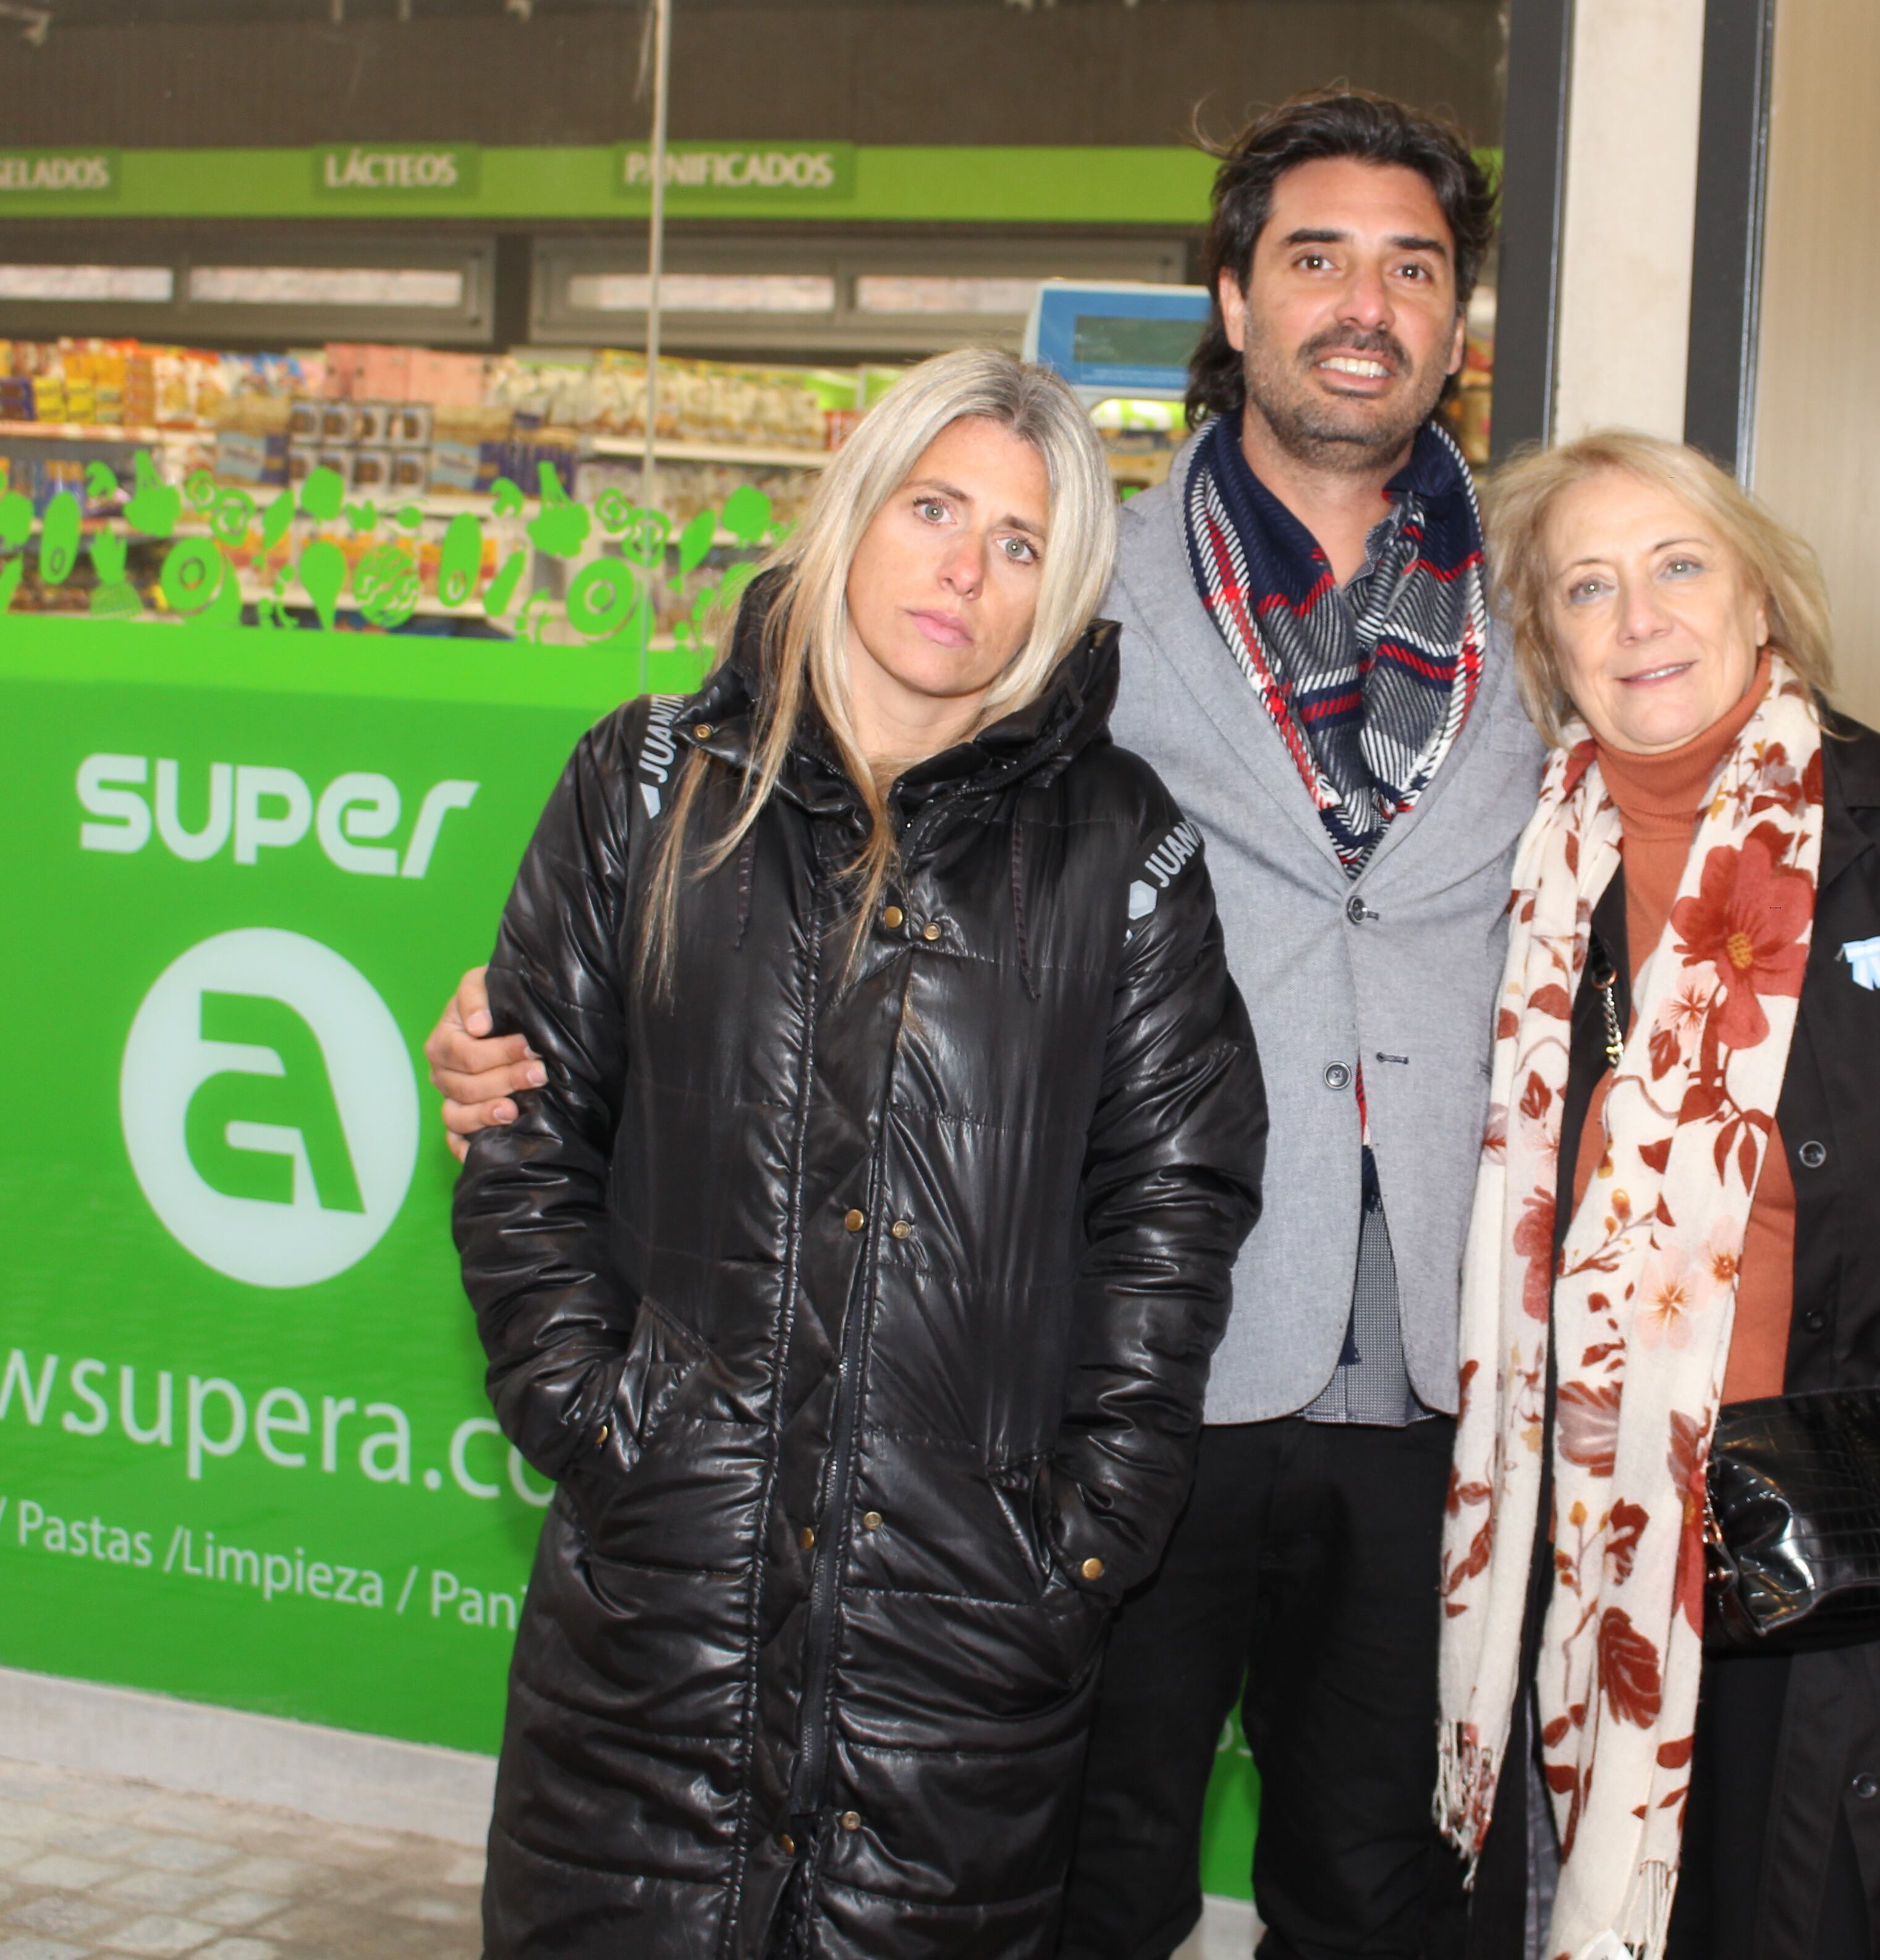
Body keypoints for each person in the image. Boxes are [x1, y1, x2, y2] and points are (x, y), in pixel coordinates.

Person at [437, 90, 1533, 1960]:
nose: (1367, 301)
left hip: (1439, 1363)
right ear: (1236, 293)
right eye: (1319, 256)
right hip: (1143, 1394)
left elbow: (1720, 769)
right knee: (1084, 1886)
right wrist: (528, 1100)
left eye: (1413, 267)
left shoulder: (1547, 588)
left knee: (1393, 1890)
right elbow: (833, 779)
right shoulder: (1092, 579)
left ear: (1456, 317)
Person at [452, 347, 1268, 1958]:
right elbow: (524, 1130)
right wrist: (589, 1413)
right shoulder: (646, 785)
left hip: (961, 1632)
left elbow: (1174, 1203)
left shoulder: (1121, 849)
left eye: (1022, 541)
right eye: (935, 506)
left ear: (1062, 589)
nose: (967, 566)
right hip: (659, 1611)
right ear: (853, 509)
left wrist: (1085, 1527)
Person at [1437, 432, 1880, 1960]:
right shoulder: (1526, 872)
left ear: (1763, 598)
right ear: (1547, 644)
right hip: (1606, 1543)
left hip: (1852, 1554)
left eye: (1680, 565)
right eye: (1588, 587)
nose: (1641, 618)